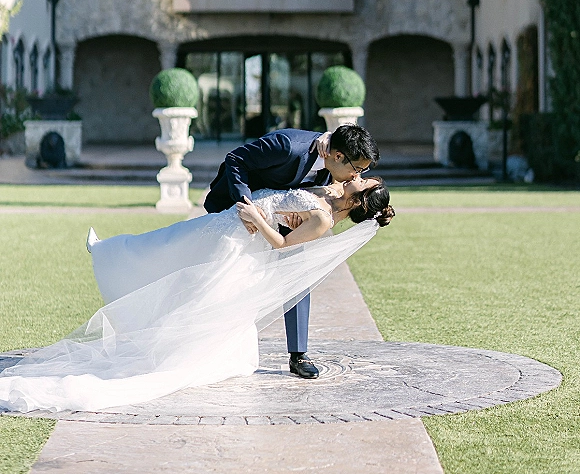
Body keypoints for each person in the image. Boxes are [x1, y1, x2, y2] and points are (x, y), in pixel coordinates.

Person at [0, 176, 394, 414]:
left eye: (365, 182)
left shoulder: (325, 219)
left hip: (244, 240)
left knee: (189, 281)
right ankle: (111, 253)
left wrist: (259, 216)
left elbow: (283, 247)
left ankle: (121, 272)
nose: (359, 177)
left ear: (359, 200)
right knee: (173, 247)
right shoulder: (328, 195)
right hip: (232, 226)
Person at [204, 124, 380, 378]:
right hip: (240, 208)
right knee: (227, 276)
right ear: (339, 156)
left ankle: (298, 354)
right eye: (357, 170)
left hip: (283, 219)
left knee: (298, 274)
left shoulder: (333, 163)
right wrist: (248, 207)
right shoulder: (287, 147)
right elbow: (236, 158)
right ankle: (210, 339)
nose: (356, 177)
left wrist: (299, 211)